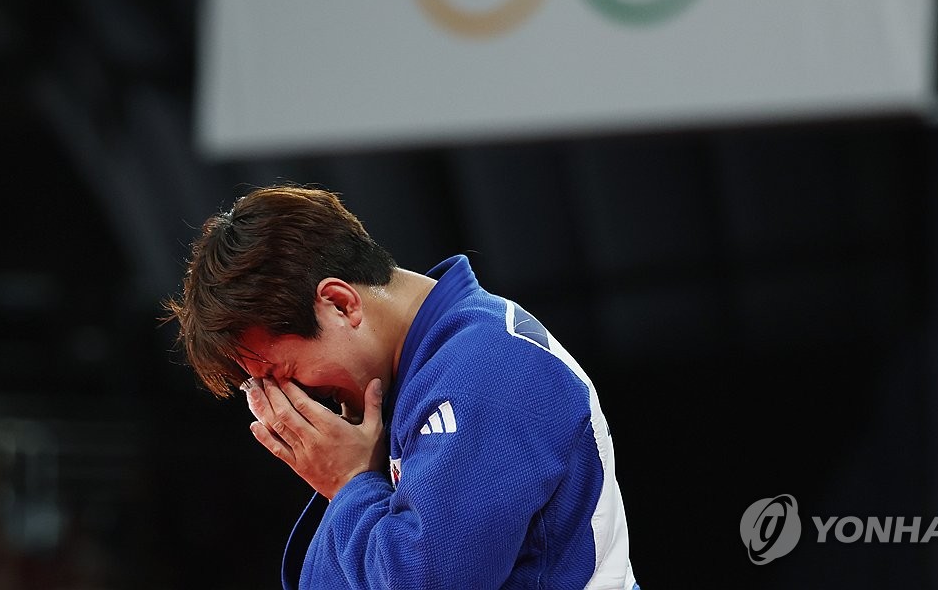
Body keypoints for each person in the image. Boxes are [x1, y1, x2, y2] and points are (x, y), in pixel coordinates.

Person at [162, 184, 639, 589]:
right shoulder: (417, 379)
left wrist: (348, 483)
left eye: (285, 375)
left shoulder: (488, 367)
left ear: (340, 304)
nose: (289, 402)